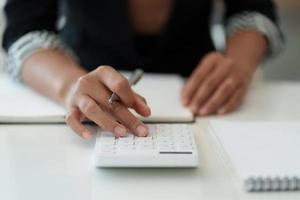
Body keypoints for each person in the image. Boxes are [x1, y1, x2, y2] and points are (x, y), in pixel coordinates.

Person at [2, 0, 283, 139]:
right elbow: (25, 29)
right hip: (79, 79)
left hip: (202, 95)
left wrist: (240, 65)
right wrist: (68, 86)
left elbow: (255, 11)